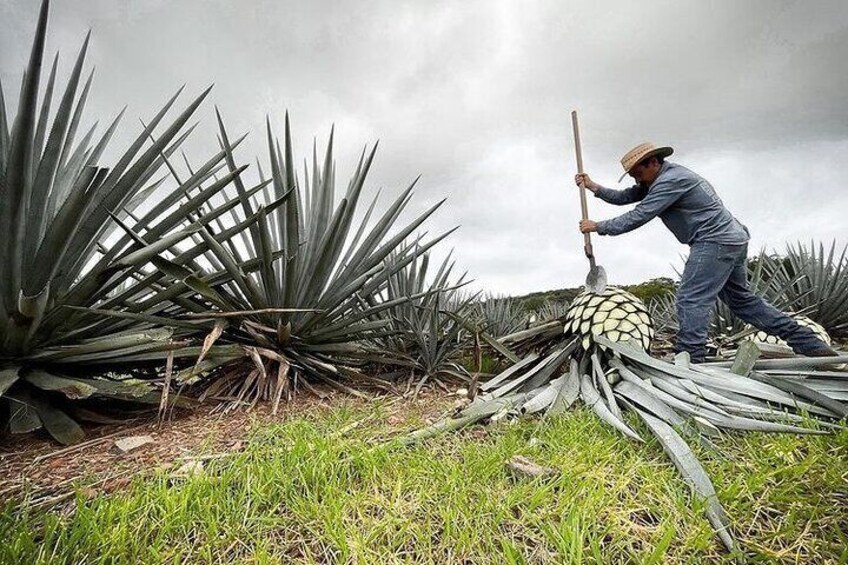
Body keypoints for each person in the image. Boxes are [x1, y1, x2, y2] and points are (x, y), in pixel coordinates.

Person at [575, 142, 838, 363]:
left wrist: (599, 227)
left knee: (690, 299)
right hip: (731, 239)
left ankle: (690, 358)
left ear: (652, 162)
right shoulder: (659, 179)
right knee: (743, 302)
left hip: (714, 241)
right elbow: (626, 196)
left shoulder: (672, 181)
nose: (636, 179)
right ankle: (808, 343)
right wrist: (593, 187)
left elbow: (640, 215)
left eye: (637, 173)